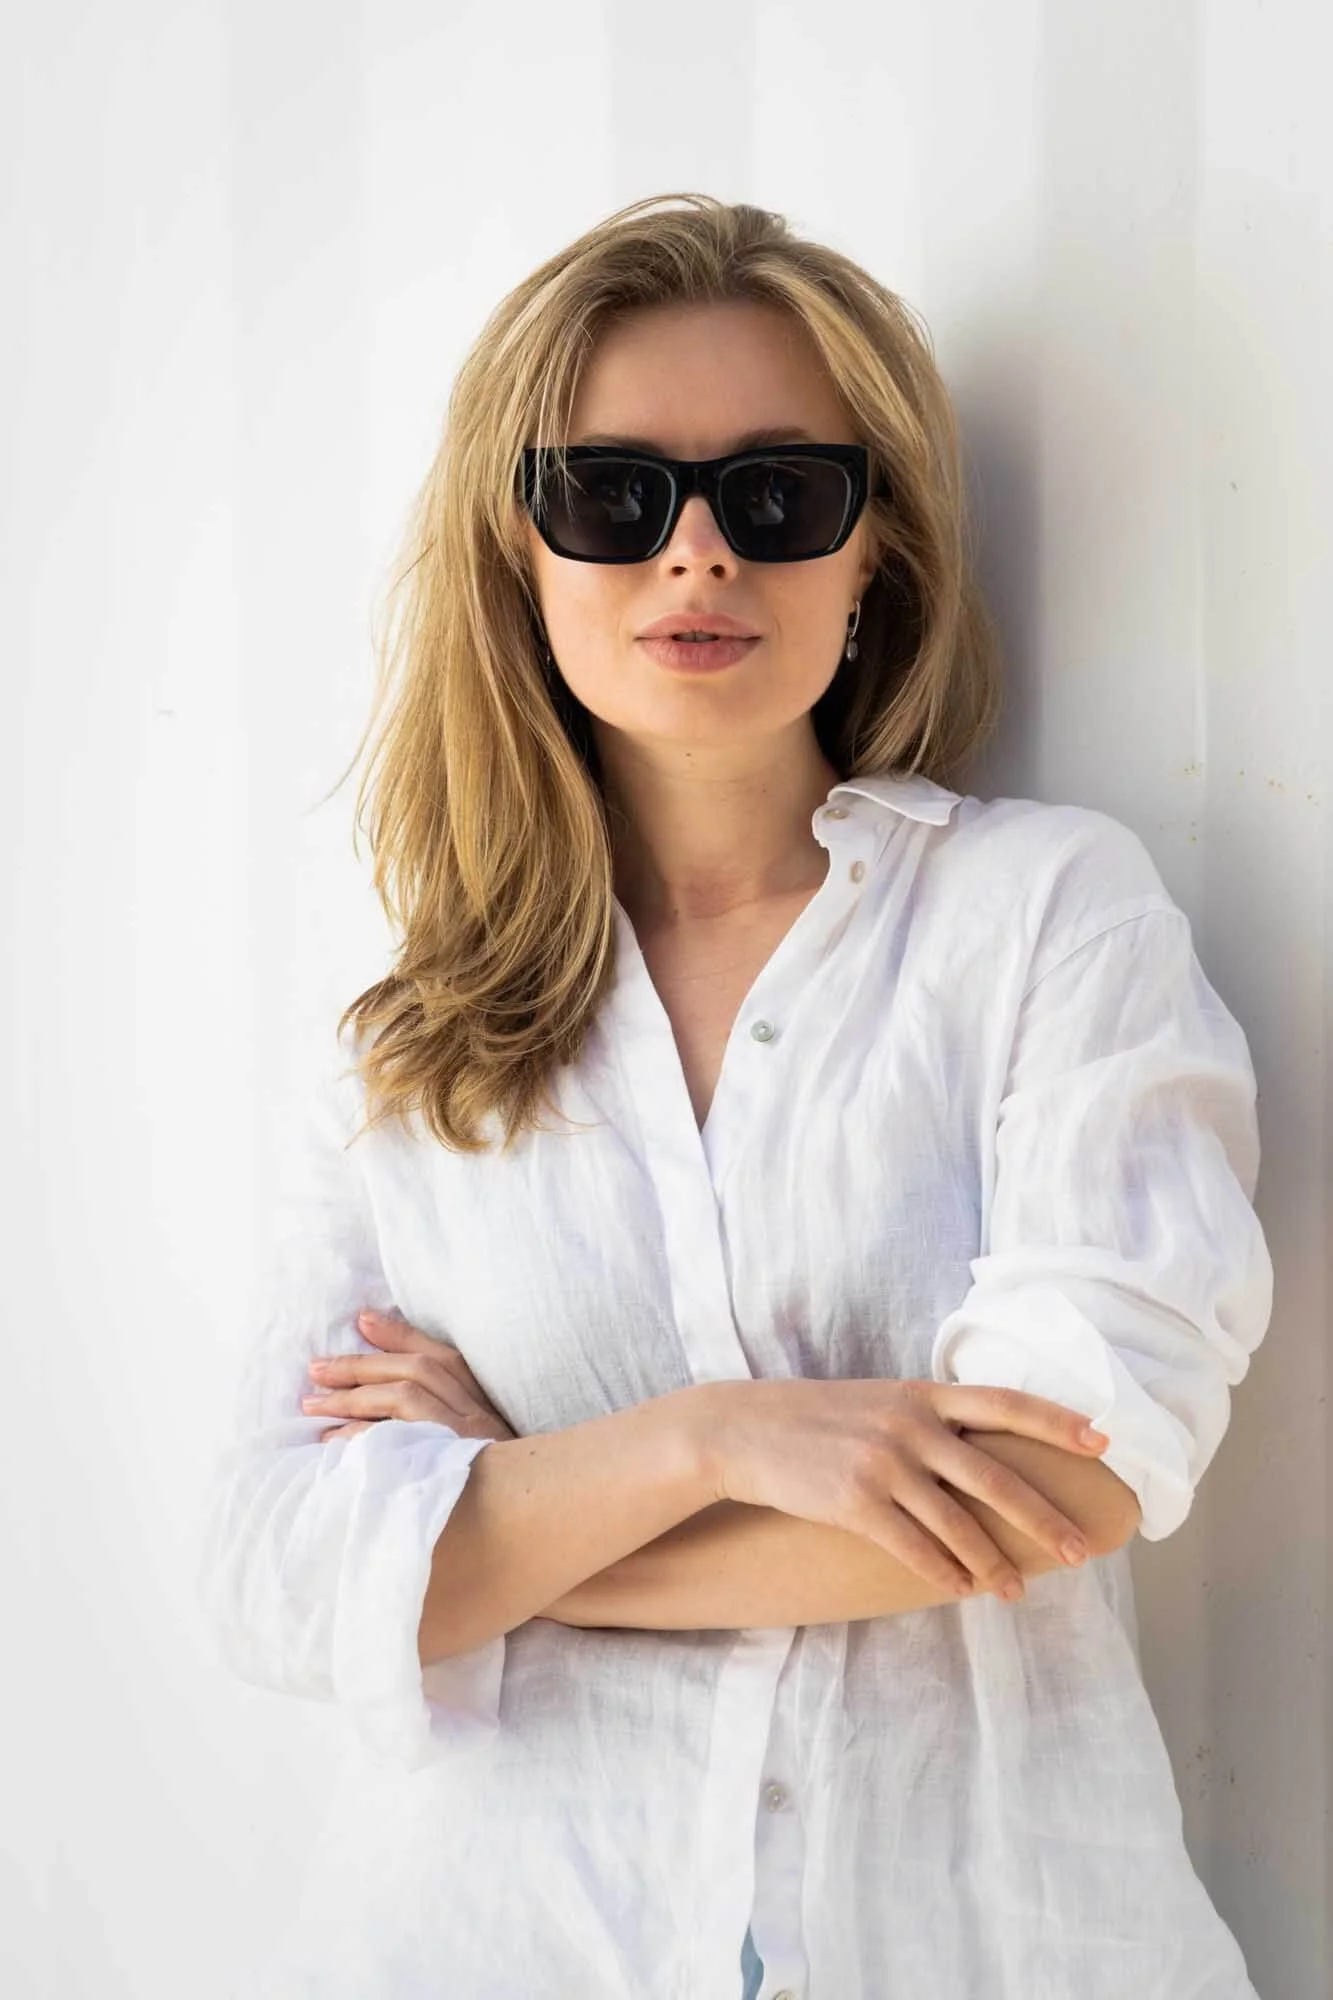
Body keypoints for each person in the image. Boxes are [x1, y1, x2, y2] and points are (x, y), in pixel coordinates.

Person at [196, 193, 1274, 1999]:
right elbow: (277, 1573)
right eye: (611, 496)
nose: (697, 557)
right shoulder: (413, 1052)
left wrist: (502, 1530)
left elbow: (1055, 1484)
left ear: (877, 557)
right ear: (521, 553)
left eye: (780, 498)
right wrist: (707, 1439)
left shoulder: (1042, 920)